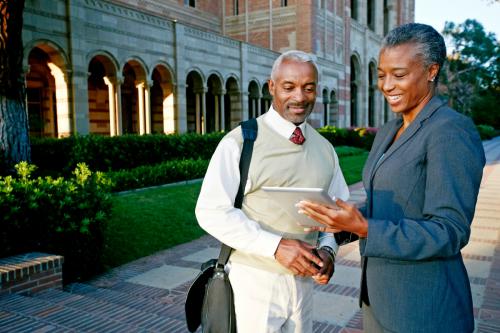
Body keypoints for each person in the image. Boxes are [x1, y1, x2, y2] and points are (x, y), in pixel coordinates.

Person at [297, 23, 485, 333]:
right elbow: (386, 203)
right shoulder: (388, 130)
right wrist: (342, 224)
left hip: (424, 310)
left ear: (431, 71)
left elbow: (449, 231)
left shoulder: (450, 131)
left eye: (399, 75)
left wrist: (364, 226)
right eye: (382, 75)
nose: (387, 85)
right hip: (379, 300)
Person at [195, 50, 349, 333]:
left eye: (308, 87)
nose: (299, 97)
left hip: (303, 288)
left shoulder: (325, 149)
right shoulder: (241, 142)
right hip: (253, 283)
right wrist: (275, 246)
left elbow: (337, 212)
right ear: (272, 87)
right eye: (289, 87)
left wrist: (328, 249)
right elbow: (210, 211)